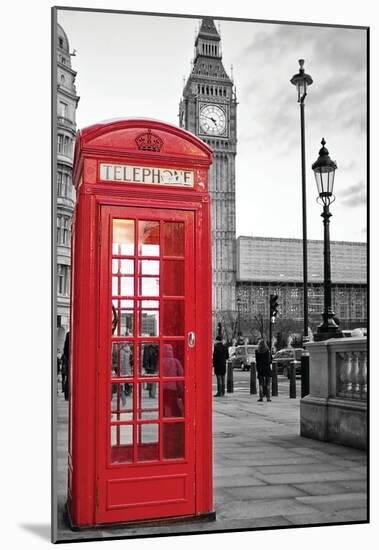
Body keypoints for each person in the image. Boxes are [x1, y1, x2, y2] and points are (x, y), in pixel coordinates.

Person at [61, 331, 70, 401]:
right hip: (71, 360)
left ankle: (67, 396)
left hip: (69, 361)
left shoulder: (68, 334)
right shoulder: (69, 334)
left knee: (68, 378)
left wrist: (69, 359)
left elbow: (65, 350)